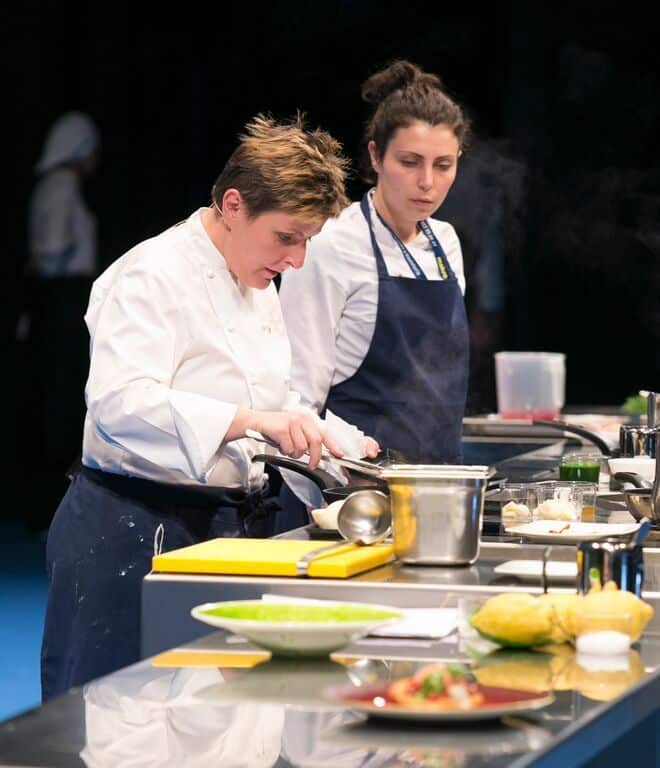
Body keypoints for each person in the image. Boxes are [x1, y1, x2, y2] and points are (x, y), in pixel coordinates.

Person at [40, 114, 378, 701]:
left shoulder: (257, 279)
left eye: (307, 242)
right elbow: (121, 404)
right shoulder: (151, 274)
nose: (297, 261)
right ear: (233, 205)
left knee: (219, 727)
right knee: (120, 730)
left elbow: (266, 399)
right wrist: (253, 422)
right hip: (132, 529)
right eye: (287, 237)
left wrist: (330, 435)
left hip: (221, 529)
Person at [278, 60, 470, 518]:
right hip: (351, 501)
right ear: (376, 156)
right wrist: (325, 496)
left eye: (443, 165)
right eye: (410, 162)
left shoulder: (445, 242)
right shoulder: (331, 244)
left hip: (438, 490)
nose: (427, 182)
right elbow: (294, 395)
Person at [22, 111, 101, 529]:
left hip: (61, 296)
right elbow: (52, 248)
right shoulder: (62, 185)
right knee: (60, 397)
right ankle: (51, 506)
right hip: (64, 297)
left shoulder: (54, 185)